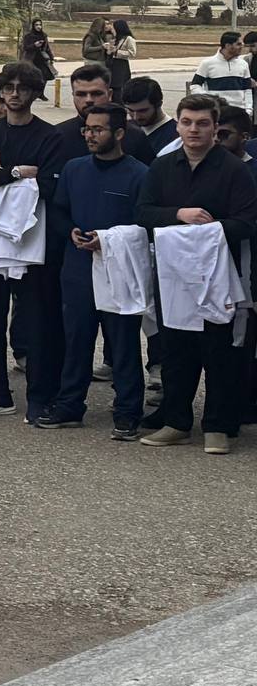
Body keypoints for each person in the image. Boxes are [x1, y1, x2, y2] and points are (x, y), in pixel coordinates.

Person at [136, 93, 257, 454]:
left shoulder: (233, 170)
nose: (194, 130)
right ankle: (176, 422)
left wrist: (208, 230)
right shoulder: (162, 167)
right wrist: (179, 215)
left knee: (220, 351)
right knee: (176, 350)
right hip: (174, 276)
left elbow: (247, 221)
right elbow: (143, 212)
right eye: (187, 122)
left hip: (221, 274)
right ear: (177, 125)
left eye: (203, 123)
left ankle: (218, 426)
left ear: (215, 128)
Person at [48, 105, 151, 436]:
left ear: (119, 134)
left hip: (119, 269)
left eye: (98, 130)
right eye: (87, 129)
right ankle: (69, 405)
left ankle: (128, 411)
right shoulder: (74, 169)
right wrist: (70, 232)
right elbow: (59, 210)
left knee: (123, 343)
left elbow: (145, 224)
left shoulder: (140, 174)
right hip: (78, 268)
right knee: (76, 339)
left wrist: (108, 240)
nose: (90, 135)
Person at [0, 62, 61, 421]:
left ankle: (40, 395)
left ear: (35, 92)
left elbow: (49, 186)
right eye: (8, 87)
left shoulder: (50, 136)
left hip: (31, 237)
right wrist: (19, 173)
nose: (14, 94)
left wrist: (0, 175)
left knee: (36, 319)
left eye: (22, 87)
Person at [189, 32, 253, 115]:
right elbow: (195, 85)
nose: (242, 47)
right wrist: (208, 99)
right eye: (238, 44)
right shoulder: (207, 63)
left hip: (238, 113)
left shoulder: (243, 64)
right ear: (228, 45)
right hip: (217, 112)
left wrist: (248, 109)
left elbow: (247, 89)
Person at [124, 77, 176, 156]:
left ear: (159, 104)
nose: (136, 117)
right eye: (130, 110)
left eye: (142, 111)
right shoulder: (126, 127)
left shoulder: (175, 137)